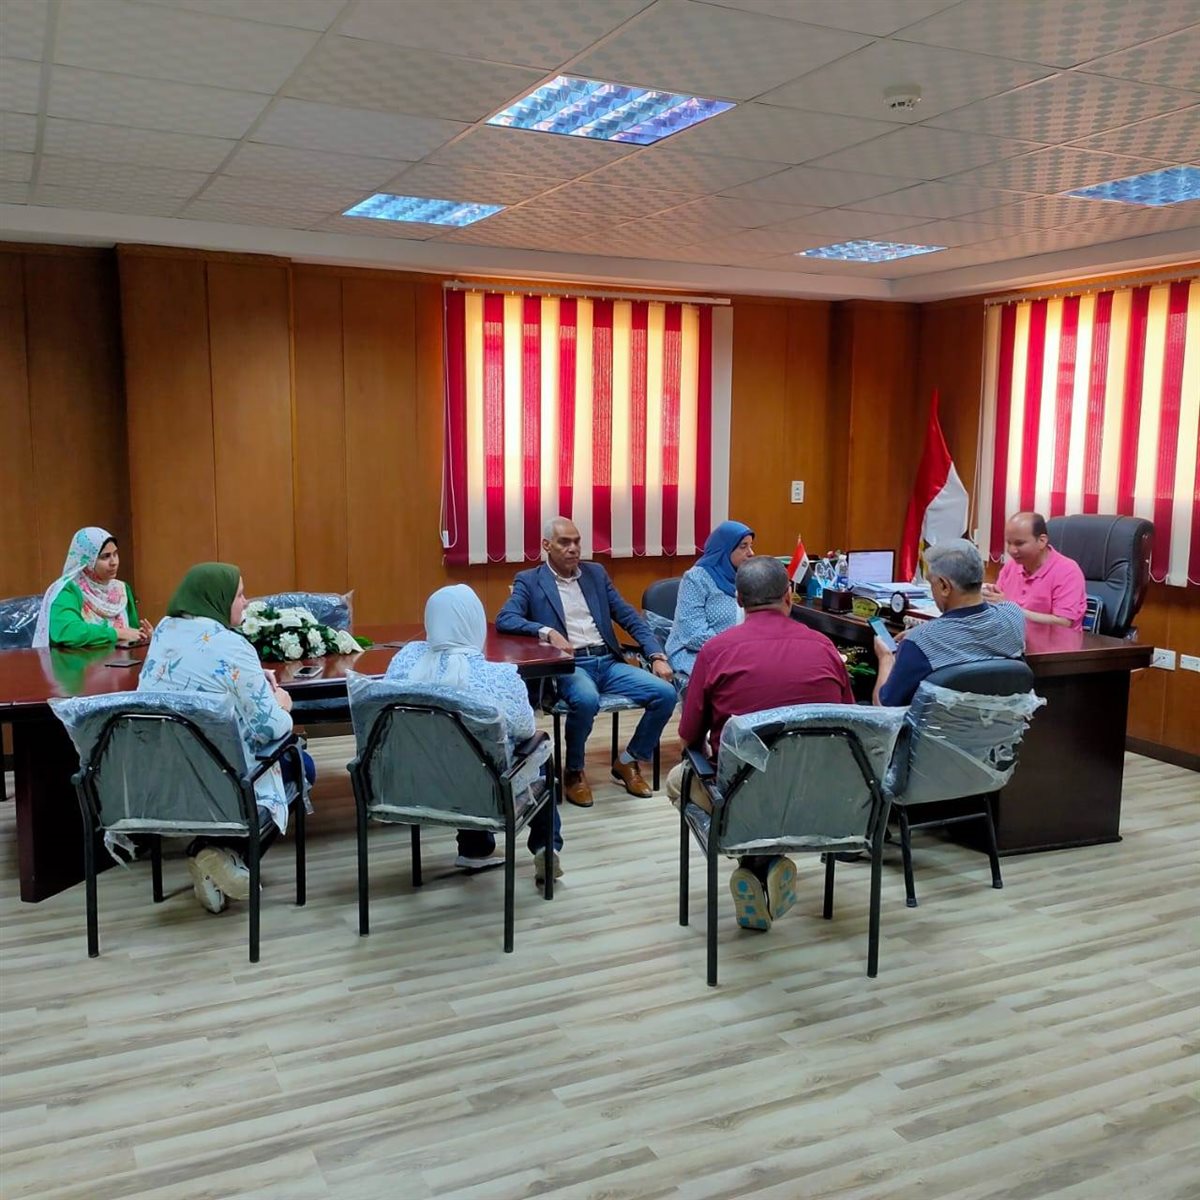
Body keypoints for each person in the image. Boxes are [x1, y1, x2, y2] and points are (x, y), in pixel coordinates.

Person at [668, 556, 854, 933]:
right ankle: (765, 863)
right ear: (789, 595)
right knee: (778, 779)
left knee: (678, 780)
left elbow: (688, 738)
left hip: (743, 800)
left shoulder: (716, 651)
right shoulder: (824, 648)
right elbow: (849, 723)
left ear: (738, 600)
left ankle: (755, 861)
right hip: (816, 800)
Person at [138, 563, 316, 914]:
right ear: (216, 599)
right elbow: (270, 728)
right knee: (302, 765)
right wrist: (283, 704)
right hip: (220, 779)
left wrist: (251, 679)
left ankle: (214, 859)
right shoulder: (233, 645)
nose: (246, 602)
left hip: (163, 774)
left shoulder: (164, 630)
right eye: (239, 595)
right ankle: (219, 853)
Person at [496, 516, 677, 808]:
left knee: (666, 693)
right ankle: (574, 771)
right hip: (572, 665)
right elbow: (506, 618)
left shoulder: (596, 574)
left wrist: (656, 655)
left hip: (607, 660)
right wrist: (547, 632)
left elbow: (629, 617)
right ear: (546, 545)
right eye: (564, 542)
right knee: (586, 699)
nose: (573, 548)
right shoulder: (530, 580)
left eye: (577, 541)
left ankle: (628, 761)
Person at [386, 584, 562, 883]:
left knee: (454, 752)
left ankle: (475, 850)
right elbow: (525, 730)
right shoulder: (499, 676)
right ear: (475, 621)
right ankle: (546, 846)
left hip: (411, 787)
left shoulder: (405, 660)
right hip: (483, 793)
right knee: (537, 751)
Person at [874, 539, 1026, 707]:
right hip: (1000, 722)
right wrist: (923, 633)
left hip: (933, 725)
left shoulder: (919, 643)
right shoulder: (1013, 615)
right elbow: (972, 635)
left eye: (931, 583)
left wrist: (886, 658)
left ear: (944, 586)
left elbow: (883, 710)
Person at [665, 520, 755, 689]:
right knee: (737, 679)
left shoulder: (747, 577)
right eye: (743, 547)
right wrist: (733, 648)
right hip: (695, 652)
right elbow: (692, 634)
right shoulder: (696, 578)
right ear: (725, 549)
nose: (751, 553)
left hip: (739, 652)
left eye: (750, 546)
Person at [33, 527, 152, 649]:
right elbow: (68, 632)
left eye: (115, 554)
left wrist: (145, 636)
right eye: (105, 556)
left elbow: (131, 633)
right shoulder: (68, 590)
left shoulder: (121, 589)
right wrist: (116, 633)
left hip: (121, 659)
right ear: (88, 560)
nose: (114, 562)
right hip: (81, 660)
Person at [982, 511, 1087, 629]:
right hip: (1013, 638)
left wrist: (1009, 608)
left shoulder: (1068, 571)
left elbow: (1063, 622)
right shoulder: (1011, 566)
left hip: (1055, 640)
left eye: (1019, 543)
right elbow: (999, 607)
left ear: (1042, 541)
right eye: (1009, 543)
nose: (1011, 550)